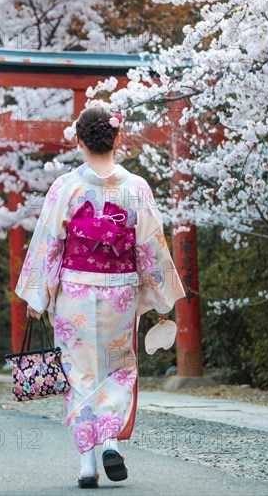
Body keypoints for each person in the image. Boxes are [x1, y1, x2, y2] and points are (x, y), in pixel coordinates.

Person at [15, 106, 186, 488]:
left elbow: (49, 243)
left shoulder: (65, 187)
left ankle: (88, 465)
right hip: (120, 291)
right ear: (117, 139)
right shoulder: (136, 187)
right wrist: (161, 299)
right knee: (118, 367)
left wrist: (37, 295)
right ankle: (110, 440)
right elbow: (149, 248)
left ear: (78, 141)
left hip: (75, 290)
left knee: (78, 372)